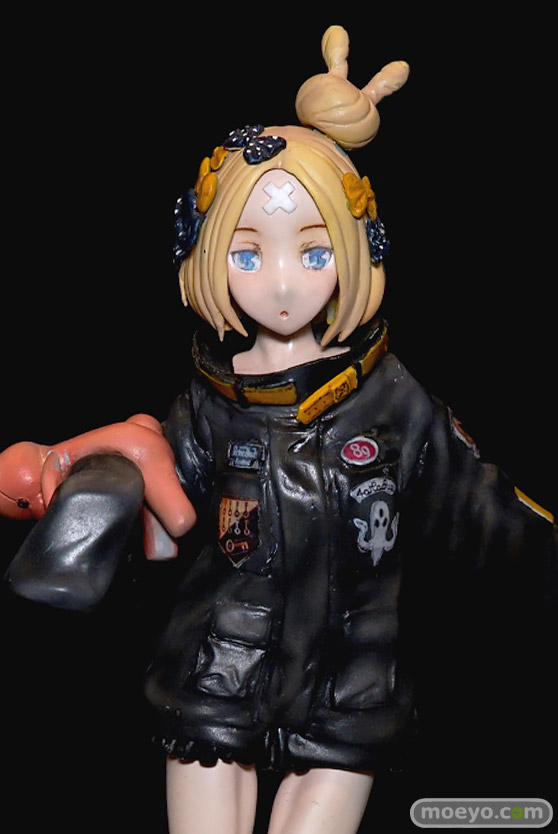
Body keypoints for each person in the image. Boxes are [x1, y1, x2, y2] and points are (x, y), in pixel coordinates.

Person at [2, 26, 556, 834]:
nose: (285, 284)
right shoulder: (209, 401)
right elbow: (162, 500)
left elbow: (483, 509)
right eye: (249, 253)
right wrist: (80, 476)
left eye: (315, 251)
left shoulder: (391, 398)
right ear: (207, 252)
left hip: (353, 674)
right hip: (219, 666)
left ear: (357, 248)